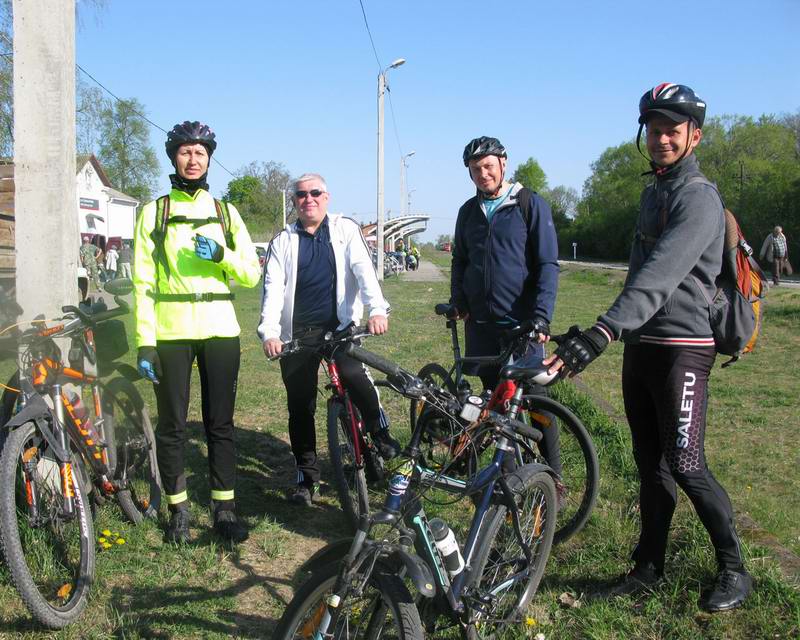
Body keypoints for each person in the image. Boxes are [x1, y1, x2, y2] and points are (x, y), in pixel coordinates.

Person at [545, 83, 752, 612]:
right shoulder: (653, 192)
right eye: (654, 130)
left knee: (686, 464)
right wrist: (597, 328)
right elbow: (635, 279)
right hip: (643, 346)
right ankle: (647, 568)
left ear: (694, 136)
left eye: (672, 131)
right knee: (649, 463)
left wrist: (602, 333)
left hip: (684, 347)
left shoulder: (698, 197)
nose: (661, 139)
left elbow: (658, 278)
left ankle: (735, 568)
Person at [133, 121, 261, 544]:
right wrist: (144, 342)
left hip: (220, 330)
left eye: (200, 153)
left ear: (209, 158)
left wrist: (222, 254)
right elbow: (143, 283)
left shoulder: (226, 213)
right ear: (174, 157)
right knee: (172, 425)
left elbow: (250, 273)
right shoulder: (154, 213)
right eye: (185, 152)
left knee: (219, 424)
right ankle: (178, 511)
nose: (193, 160)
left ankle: (224, 509)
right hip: (170, 332)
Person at [258, 173, 399, 507]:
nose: (309, 199)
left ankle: (379, 433)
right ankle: (306, 476)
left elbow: (364, 270)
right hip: (298, 335)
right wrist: (270, 332)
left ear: (327, 197)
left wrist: (377, 310)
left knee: (353, 374)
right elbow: (272, 289)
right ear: (294, 202)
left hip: (340, 329)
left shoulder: (344, 229)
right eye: (301, 195)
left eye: (315, 193)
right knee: (300, 405)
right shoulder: (283, 241)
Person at [449, 136, 561, 481]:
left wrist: (541, 315)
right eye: (475, 169)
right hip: (481, 325)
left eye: (488, 166)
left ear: (503, 164)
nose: (483, 174)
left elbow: (547, 264)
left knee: (537, 400)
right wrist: (459, 300)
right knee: (495, 404)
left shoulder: (529, 203)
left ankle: (553, 475)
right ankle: (508, 479)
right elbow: (460, 261)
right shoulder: (468, 212)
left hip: (523, 327)